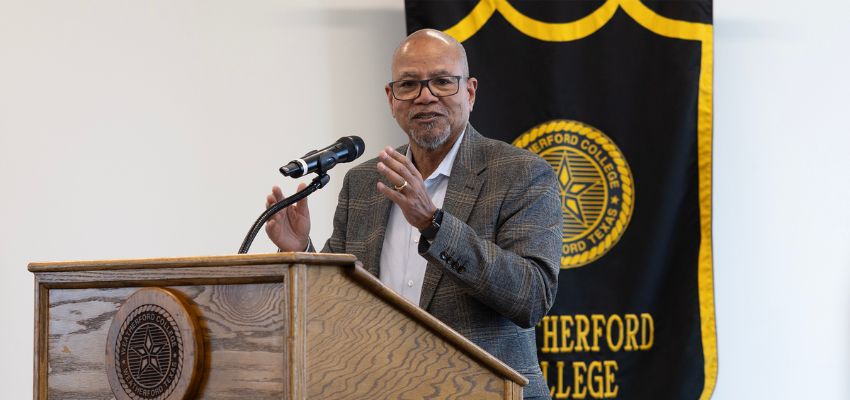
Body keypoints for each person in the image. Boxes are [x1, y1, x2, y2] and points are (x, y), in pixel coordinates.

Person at [265, 29, 562, 399]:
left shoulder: (521, 173)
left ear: (469, 92)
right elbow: (337, 306)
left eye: (441, 82)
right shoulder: (363, 183)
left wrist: (433, 224)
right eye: (409, 84)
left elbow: (531, 297)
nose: (425, 96)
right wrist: (301, 252)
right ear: (391, 99)